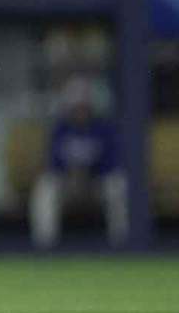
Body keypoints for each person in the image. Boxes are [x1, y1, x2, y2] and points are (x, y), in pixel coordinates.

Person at [29, 75, 128, 248]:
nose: (80, 111)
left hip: (96, 183)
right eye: (76, 107)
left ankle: (121, 246)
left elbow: (112, 164)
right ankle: (45, 248)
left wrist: (88, 175)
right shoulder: (60, 129)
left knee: (117, 186)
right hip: (67, 184)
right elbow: (52, 165)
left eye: (84, 107)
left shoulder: (103, 129)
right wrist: (71, 177)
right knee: (46, 188)